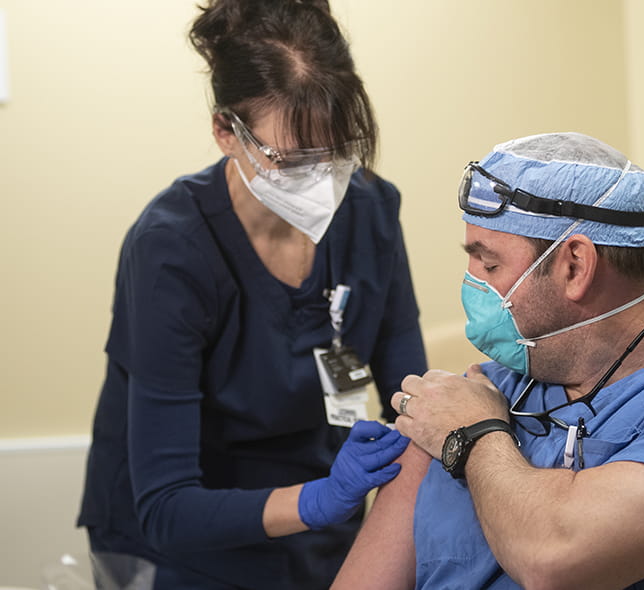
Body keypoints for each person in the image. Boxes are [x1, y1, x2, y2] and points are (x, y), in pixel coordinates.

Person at [332, 132, 644, 589]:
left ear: (575, 265)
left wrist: (475, 435)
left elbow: (555, 559)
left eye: (490, 266)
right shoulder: (478, 392)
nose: (471, 285)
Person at [76, 1, 427, 588]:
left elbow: (407, 398)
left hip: (323, 526)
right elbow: (166, 507)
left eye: (336, 152)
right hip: (185, 541)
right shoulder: (171, 250)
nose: (321, 180)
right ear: (224, 132)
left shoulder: (371, 210)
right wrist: (319, 499)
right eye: (289, 160)